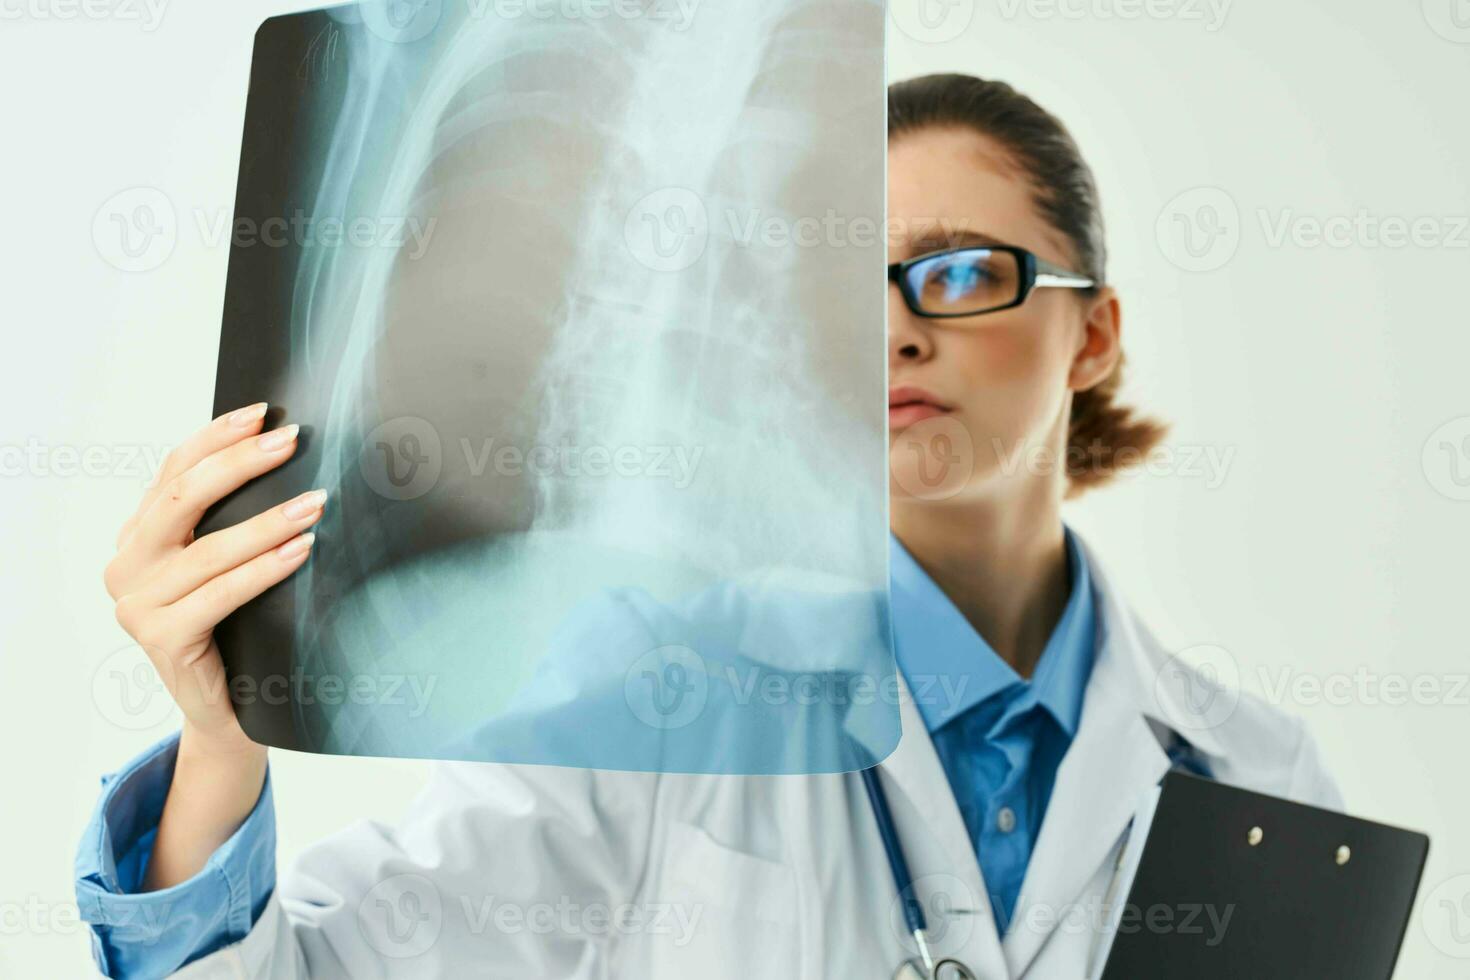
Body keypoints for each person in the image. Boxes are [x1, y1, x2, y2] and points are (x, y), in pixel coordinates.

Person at [75, 73, 1341, 979]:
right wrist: (219, 738)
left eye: (961, 271)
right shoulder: (665, 693)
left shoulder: (1254, 775)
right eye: (852, 276)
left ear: (1094, 332)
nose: (897, 326)